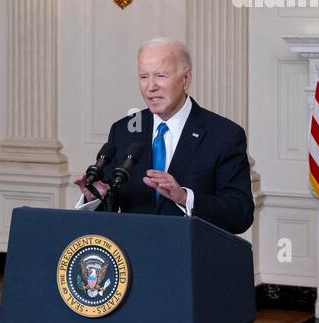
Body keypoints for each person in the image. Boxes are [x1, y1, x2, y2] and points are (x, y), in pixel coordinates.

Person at [74, 38, 254, 234]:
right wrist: (95, 197)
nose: (150, 86)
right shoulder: (123, 130)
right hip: (134, 257)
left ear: (186, 79)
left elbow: (240, 214)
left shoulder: (224, 135)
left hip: (192, 258)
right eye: (144, 76)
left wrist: (184, 198)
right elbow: (110, 204)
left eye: (160, 75)